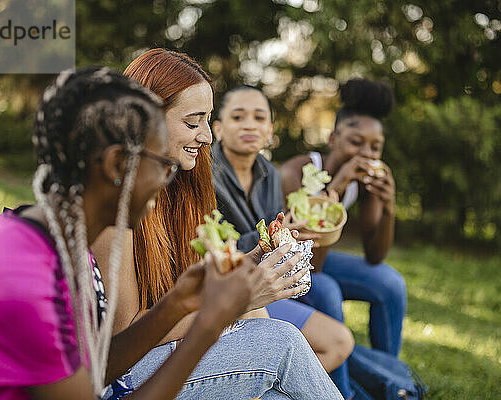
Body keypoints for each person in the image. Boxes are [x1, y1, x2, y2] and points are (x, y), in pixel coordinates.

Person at [0, 67, 261, 400]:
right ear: (117, 165)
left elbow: (91, 372)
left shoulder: (50, 241)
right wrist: (207, 326)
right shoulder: (20, 279)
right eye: (162, 165)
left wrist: (176, 304)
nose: (166, 180)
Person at [98, 49, 343, 400]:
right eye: (192, 122)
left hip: (166, 352)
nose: (207, 137)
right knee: (282, 343)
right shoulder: (115, 204)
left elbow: (181, 289)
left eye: (206, 120)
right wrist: (238, 303)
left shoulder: (176, 189)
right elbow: (123, 341)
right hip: (125, 374)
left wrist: (256, 257)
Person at [210, 84, 355, 379]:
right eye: (238, 117)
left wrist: (302, 226)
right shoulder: (205, 174)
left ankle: (335, 388)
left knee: (325, 288)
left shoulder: (269, 173)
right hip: (232, 289)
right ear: (218, 128)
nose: (250, 124)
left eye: (259, 118)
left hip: (270, 276)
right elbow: (211, 245)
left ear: (270, 130)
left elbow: (278, 232)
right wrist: (270, 237)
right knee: (334, 330)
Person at [280, 78, 407, 366]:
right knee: (326, 288)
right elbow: (312, 265)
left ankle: (388, 374)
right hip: (289, 266)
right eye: (355, 142)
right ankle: (340, 390)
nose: (366, 153)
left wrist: (388, 204)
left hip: (316, 258)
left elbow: (375, 255)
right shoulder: (295, 173)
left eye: (376, 147)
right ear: (333, 140)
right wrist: (335, 189)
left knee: (390, 282)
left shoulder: (362, 182)